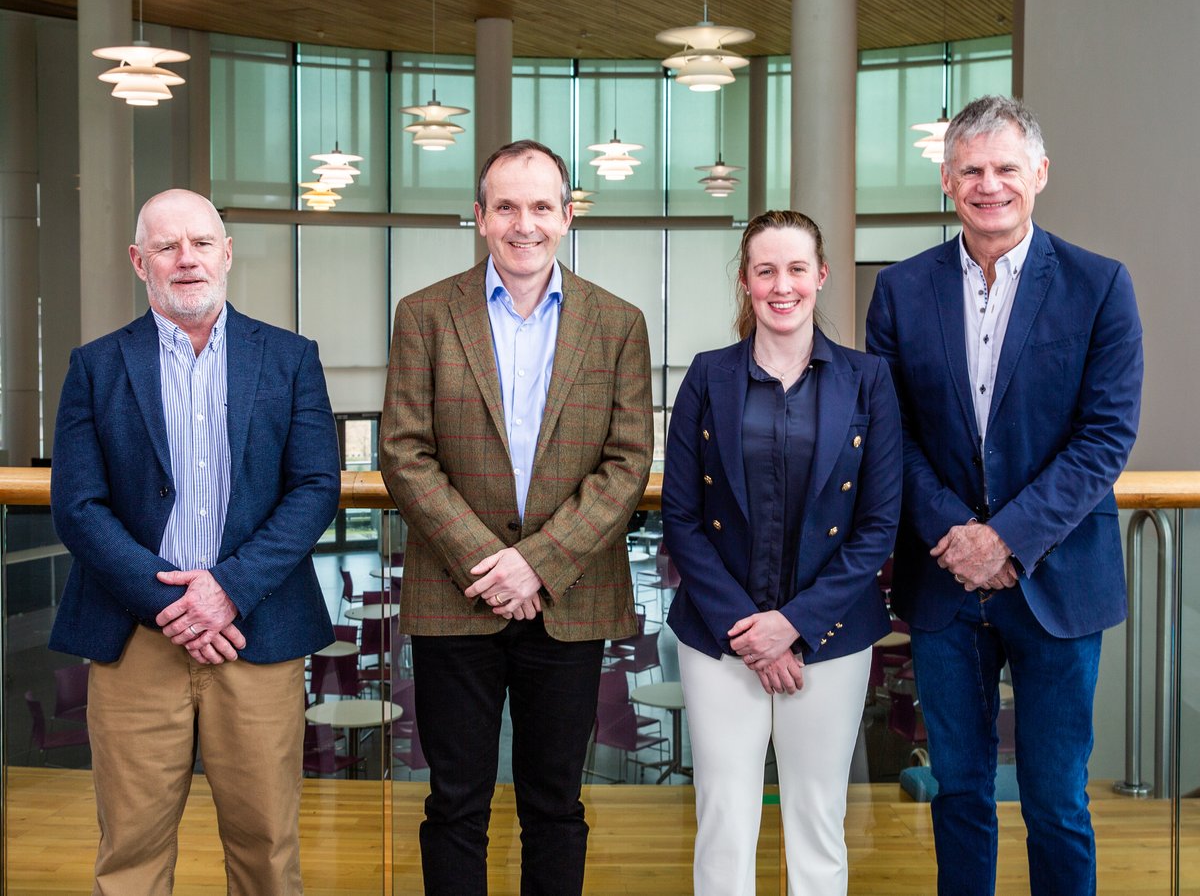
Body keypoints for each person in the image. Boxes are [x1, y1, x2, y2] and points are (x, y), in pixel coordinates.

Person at [865, 95, 1143, 896]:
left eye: (1006, 169)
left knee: (1056, 801)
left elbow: (1105, 439)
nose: (990, 185)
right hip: (945, 584)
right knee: (959, 792)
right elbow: (894, 434)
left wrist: (1007, 538)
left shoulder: (1099, 285)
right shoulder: (902, 290)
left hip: (1057, 581)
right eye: (973, 170)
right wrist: (958, 533)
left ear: (1040, 175)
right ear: (948, 179)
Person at [379, 139, 653, 896]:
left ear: (568, 217)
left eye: (540, 207)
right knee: (455, 805)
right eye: (506, 206)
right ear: (479, 217)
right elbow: (404, 451)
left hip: (569, 600)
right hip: (454, 597)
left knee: (555, 807)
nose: (522, 223)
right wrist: (490, 563)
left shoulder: (619, 322)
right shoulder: (425, 314)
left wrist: (538, 562)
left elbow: (628, 462)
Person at [49, 188, 342, 895]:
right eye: (167, 247)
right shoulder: (95, 366)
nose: (187, 260)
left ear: (227, 253)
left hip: (256, 631)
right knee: (131, 855)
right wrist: (174, 604)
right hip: (136, 637)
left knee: (267, 852)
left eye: (202, 243)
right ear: (138, 262)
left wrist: (227, 590)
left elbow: (315, 489)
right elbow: (78, 506)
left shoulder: (290, 358)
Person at [662, 210, 902, 896]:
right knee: (724, 821)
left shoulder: (868, 381)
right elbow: (681, 516)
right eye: (765, 270)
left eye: (796, 268)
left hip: (831, 637)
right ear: (745, 281)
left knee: (819, 821)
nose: (781, 285)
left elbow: (878, 525)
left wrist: (791, 625)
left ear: (821, 276)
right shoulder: (708, 378)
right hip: (720, 638)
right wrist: (751, 631)